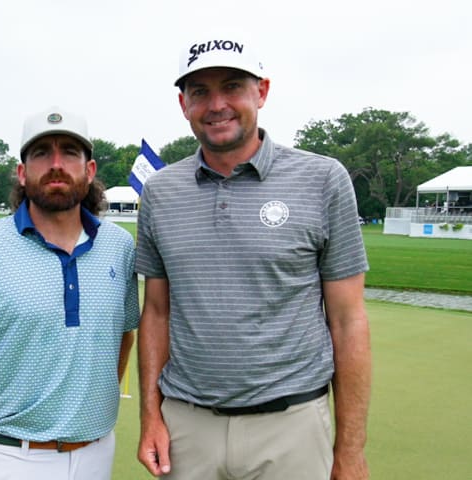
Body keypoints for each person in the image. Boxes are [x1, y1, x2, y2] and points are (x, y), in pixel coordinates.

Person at [135, 37, 371, 480]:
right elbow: (157, 311)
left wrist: (351, 448)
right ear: (183, 104)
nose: (216, 104)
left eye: (232, 87)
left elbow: (348, 319)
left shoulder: (322, 179)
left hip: (293, 426)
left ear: (261, 92)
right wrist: (150, 415)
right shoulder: (161, 192)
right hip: (187, 427)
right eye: (200, 91)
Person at [0, 106, 139, 480]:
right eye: (42, 153)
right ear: (23, 172)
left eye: (70, 153)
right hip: (9, 455)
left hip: (96, 452)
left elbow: (122, 337)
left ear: (89, 171)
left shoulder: (119, 247)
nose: (56, 164)